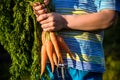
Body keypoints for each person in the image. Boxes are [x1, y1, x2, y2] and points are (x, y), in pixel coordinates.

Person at [33, 0, 117, 80]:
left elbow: (108, 18)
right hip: (46, 65)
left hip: (84, 66)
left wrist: (64, 21)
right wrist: (38, 8)